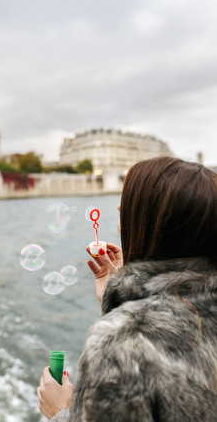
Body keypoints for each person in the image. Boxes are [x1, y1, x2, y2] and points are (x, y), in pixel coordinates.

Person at [37, 156, 217, 421]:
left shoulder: (122, 342)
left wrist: (61, 412)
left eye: (124, 214)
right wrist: (123, 297)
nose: (120, 222)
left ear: (150, 227)